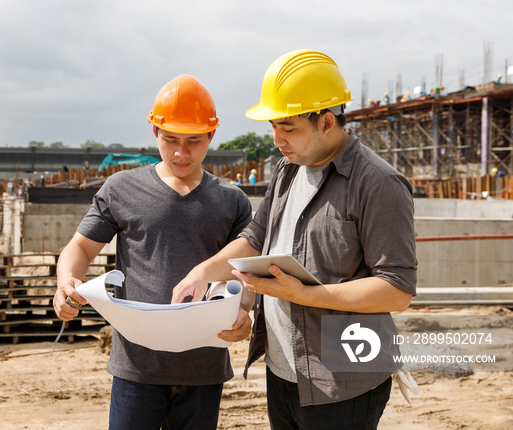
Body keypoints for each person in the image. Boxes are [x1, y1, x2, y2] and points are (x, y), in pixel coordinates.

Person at [172, 49, 418, 429]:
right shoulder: (289, 169)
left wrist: (304, 294)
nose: (277, 139)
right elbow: (256, 240)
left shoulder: (378, 184)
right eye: (273, 126)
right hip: (285, 370)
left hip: (345, 376)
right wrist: (203, 272)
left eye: (288, 128)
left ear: (325, 122)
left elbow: (397, 290)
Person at [54, 74, 254, 429]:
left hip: (203, 365)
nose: (181, 152)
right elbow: (81, 246)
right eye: (171, 139)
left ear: (211, 136)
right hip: (137, 366)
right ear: (154, 134)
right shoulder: (122, 188)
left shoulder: (231, 199)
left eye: (194, 141)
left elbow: (245, 271)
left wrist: (243, 310)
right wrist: (66, 282)